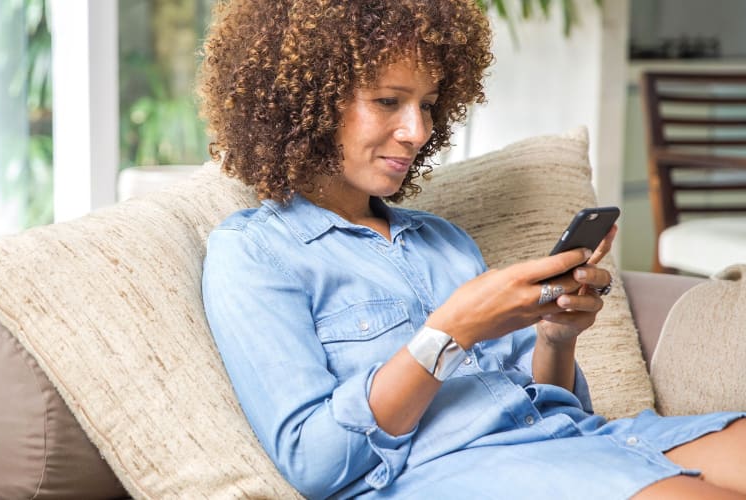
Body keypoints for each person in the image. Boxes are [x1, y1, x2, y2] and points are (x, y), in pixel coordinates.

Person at [197, 1, 746, 499]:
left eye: (428, 106)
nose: (416, 131)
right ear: (305, 99)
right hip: (464, 472)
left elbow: (551, 407)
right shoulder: (255, 253)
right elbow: (313, 461)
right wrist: (449, 333)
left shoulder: (443, 240)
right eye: (388, 101)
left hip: (573, 441)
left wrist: (555, 339)